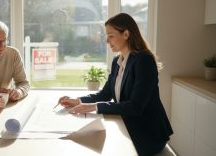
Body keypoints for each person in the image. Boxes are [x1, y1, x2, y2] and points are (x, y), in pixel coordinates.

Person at [58, 13, 173, 156]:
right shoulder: (117, 61)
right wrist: (77, 101)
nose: (107, 40)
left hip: (147, 133)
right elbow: (105, 94)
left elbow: (135, 106)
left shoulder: (144, 60)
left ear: (126, 34)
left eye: (111, 35)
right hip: (127, 125)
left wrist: (94, 107)